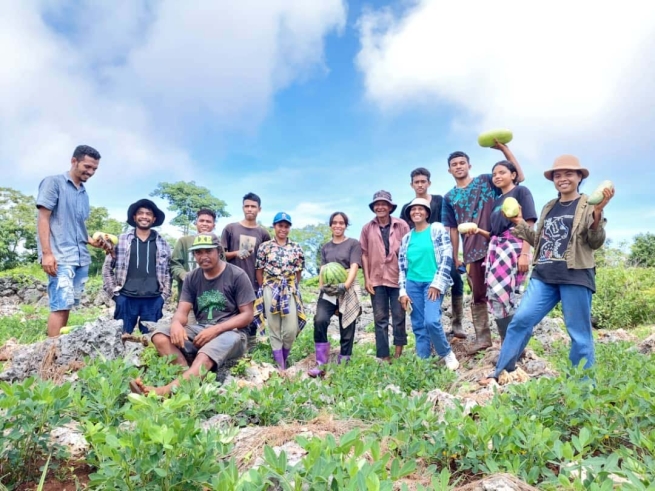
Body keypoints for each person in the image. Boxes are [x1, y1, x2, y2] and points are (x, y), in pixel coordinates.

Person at [481, 155, 614, 384]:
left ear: (579, 177)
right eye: (558, 175)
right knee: (521, 320)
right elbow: (539, 241)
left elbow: (595, 241)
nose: (562, 179)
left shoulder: (587, 205)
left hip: (575, 275)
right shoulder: (549, 207)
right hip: (544, 276)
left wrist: (598, 213)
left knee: (579, 335)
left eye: (568, 174)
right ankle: (502, 372)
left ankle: (582, 389)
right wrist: (519, 221)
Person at [130, 233, 256, 397]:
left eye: (208, 251)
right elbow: (182, 311)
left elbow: (247, 315)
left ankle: (163, 392)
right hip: (201, 329)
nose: (203, 256)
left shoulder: (237, 275)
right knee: (160, 335)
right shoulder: (192, 277)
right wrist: (176, 324)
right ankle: (186, 379)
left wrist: (216, 329)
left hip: (233, 333)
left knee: (205, 353)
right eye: (198, 252)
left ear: (218, 251)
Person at [442, 142, 525, 354]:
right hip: (471, 251)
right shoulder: (449, 197)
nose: (459, 166)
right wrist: (455, 256)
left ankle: (509, 339)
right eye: (454, 164)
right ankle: (483, 338)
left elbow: (518, 177)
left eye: (462, 163)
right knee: (478, 294)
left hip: (499, 244)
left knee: (504, 293)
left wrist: (504, 150)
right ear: (449, 170)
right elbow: (452, 229)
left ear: (470, 165)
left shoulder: (486, 181)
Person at [36, 144, 109, 337]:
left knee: (67, 304)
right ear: (74, 161)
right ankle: (50, 352)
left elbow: (77, 227)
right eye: (87, 166)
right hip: (59, 255)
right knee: (59, 305)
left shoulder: (83, 193)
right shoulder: (53, 183)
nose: (91, 172)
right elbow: (43, 218)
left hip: (80, 257)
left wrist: (92, 241)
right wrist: (47, 254)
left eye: (94, 169)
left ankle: (60, 346)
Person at [462, 161, 537, 344]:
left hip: (515, 247)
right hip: (497, 249)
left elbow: (528, 224)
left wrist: (525, 254)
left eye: (502, 172)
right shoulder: (497, 201)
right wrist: (479, 231)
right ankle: (507, 342)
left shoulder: (521, 192)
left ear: (513, 175)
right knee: (497, 296)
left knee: (509, 296)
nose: (497, 176)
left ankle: (516, 344)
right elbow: (495, 234)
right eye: (494, 173)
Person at [401, 168, 466, 339]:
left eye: (423, 181)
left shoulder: (439, 201)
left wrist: (455, 255)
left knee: (456, 280)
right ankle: (429, 327)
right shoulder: (408, 208)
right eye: (417, 182)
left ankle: (457, 322)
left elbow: (451, 226)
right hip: (421, 259)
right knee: (423, 292)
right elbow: (406, 236)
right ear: (411, 185)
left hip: (442, 252)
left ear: (429, 183)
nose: (420, 184)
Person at [399, 198, 459, 370]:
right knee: (418, 324)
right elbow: (402, 266)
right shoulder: (406, 238)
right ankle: (423, 362)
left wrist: (437, 284)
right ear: (409, 214)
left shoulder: (437, 229)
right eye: (413, 209)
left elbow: (447, 256)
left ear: (426, 212)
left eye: (420, 209)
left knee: (431, 321)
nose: (416, 211)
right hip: (412, 284)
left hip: (433, 283)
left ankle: (446, 353)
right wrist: (402, 291)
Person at [102, 199, 171, 334]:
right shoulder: (121, 240)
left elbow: (168, 271)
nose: (144, 216)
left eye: (148, 214)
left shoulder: (163, 244)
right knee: (120, 337)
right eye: (140, 213)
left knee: (152, 340)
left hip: (153, 299)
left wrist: (163, 296)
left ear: (154, 218)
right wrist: (115, 294)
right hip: (125, 298)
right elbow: (107, 268)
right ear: (134, 217)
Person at [308, 212, 362, 377]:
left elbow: (354, 266)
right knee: (320, 319)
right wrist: (322, 287)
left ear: (346, 225)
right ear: (330, 225)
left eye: (341, 223)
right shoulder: (325, 247)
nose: (338, 225)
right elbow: (323, 269)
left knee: (347, 324)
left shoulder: (353, 244)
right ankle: (321, 362)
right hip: (329, 289)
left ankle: (344, 360)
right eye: (335, 223)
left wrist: (344, 286)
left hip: (347, 287)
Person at [360, 190, 410, 362]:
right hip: (376, 279)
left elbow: (408, 250)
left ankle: (398, 352)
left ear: (390, 207)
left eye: (384, 204)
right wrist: (367, 279)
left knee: (399, 315)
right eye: (377, 204)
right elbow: (364, 254)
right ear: (374, 207)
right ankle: (383, 355)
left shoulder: (401, 225)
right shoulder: (367, 228)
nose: (380, 207)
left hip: (398, 278)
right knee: (380, 318)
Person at [254, 212, 306, 370]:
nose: (283, 229)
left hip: (289, 289)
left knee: (291, 329)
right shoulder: (265, 247)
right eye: (280, 225)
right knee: (274, 327)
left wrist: (293, 287)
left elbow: (298, 271)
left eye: (286, 226)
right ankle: (281, 365)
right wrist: (265, 287)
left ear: (289, 228)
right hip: (270, 287)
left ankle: (284, 354)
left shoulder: (296, 247)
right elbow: (259, 269)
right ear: (274, 226)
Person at [221, 193, 271, 350]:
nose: (250, 209)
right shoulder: (230, 229)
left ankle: (248, 353)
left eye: (253, 206)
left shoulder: (263, 234)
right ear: (243, 207)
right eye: (247, 206)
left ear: (259, 209)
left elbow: (268, 261)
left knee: (250, 321)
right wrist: (236, 253)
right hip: (229, 282)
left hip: (253, 284)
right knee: (228, 318)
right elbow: (220, 255)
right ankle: (227, 351)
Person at [171, 208, 217, 298]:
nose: (204, 224)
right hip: (188, 297)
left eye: (208, 221)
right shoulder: (184, 241)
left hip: (211, 297)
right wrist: (184, 275)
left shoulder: (217, 244)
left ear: (213, 225)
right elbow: (174, 265)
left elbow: (223, 266)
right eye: (201, 221)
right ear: (196, 223)